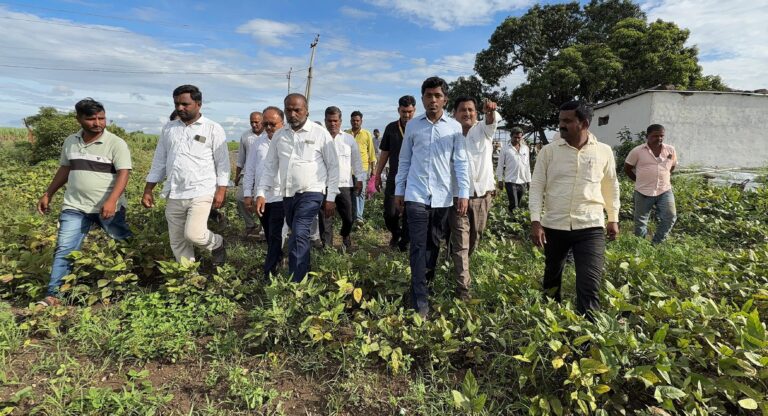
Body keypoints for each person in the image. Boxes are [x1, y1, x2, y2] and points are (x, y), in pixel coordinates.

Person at [37, 98, 132, 306]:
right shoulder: (71, 141)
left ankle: (130, 285)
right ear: (78, 118)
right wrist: (48, 193)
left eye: (101, 118)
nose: (98, 123)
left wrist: (111, 201)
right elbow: (65, 168)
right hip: (75, 206)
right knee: (65, 248)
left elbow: (124, 173)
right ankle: (54, 295)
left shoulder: (116, 143)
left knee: (122, 244)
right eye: (91, 119)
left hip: (107, 207)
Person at [529, 100, 620, 317]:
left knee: (589, 283)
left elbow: (611, 185)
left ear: (584, 123)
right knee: (551, 279)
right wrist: (535, 221)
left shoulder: (604, 152)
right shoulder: (548, 152)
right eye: (560, 120)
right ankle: (550, 323)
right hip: (554, 225)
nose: (561, 125)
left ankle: (588, 336)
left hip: (590, 227)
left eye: (567, 121)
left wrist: (613, 218)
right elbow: (537, 186)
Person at [395, 77, 470, 318]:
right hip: (416, 194)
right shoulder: (413, 127)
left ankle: (423, 284)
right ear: (422, 98)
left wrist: (463, 193)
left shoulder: (454, 128)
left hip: (443, 198)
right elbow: (404, 160)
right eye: (429, 96)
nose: (433, 100)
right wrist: (399, 190)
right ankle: (420, 300)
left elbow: (460, 163)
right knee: (418, 246)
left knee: (433, 245)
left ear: (445, 99)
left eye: (437, 96)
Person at [254, 93, 339, 282]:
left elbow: (333, 166)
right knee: (298, 234)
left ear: (306, 110)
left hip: (312, 192)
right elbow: (270, 166)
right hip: (288, 195)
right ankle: (304, 270)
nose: (293, 114)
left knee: (299, 232)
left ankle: (297, 283)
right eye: (289, 110)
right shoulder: (279, 136)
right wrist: (261, 193)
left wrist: (331, 196)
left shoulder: (319, 134)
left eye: (297, 110)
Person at [143, 85, 230, 265]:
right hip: (174, 191)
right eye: (177, 104)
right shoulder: (169, 128)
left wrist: (221, 190)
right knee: (177, 239)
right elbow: (160, 160)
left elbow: (223, 163)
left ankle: (218, 243)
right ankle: (189, 276)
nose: (180, 108)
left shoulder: (213, 128)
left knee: (194, 234)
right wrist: (148, 189)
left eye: (185, 104)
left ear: (198, 104)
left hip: (201, 189)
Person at [448, 96, 500, 300]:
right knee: (462, 242)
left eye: (471, 110)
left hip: (482, 197)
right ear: (455, 114)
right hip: (458, 197)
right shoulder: (450, 134)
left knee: (475, 238)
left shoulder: (484, 130)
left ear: (476, 113)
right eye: (463, 110)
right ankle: (463, 288)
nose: (467, 113)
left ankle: (458, 262)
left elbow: (491, 121)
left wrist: (490, 111)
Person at [243, 107, 286, 276]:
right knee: (268, 232)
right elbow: (250, 169)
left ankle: (269, 272)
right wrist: (248, 194)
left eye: (272, 124)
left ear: (282, 123)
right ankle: (279, 256)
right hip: (262, 196)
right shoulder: (257, 144)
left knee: (276, 233)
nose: (268, 127)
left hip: (281, 195)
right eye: (265, 124)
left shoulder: (289, 141)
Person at [373, 95, 416, 251]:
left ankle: (404, 244)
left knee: (409, 214)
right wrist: (377, 175)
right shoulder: (391, 128)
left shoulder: (419, 127)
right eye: (403, 112)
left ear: (414, 110)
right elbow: (384, 153)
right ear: (398, 110)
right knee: (390, 214)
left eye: (410, 112)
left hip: (414, 179)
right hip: (395, 177)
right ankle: (396, 233)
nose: (406, 115)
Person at [624, 124, 677, 244]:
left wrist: (664, 177)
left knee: (670, 216)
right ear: (647, 136)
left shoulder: (670, 150)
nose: (659, 138)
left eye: (661, 136)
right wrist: (638, 180)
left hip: (664, 190)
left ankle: (656, 243)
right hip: (643, 191)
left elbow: (672, 166)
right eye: (655, 136)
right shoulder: (637, 151)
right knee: (640, 222)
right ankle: (641, 246)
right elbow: (627, 168)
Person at [319, 106, 364, 250]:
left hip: (344, 184)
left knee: (349, 218)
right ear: (325, 121)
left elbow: (356, 161)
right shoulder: (319, 138)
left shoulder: (348, 139)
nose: (332, 124)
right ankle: (327, 248)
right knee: (325, 219)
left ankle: (345, 235)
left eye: (335, 121)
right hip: (324, 186)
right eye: (329, 121)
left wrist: (360, 179)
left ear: (340, 121)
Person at [234, 112, 263, 237]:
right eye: (252, 122)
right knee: (240, 198)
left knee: (262, 201)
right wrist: (237, 176)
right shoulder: (246, 136)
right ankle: (250, 225)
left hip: (263, 174)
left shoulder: (269, 135)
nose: (254, 124)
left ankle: (264, 228)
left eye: (257, 122)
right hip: (247, 173)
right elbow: (241, 158)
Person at [346, 110, 376, 223]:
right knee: (351, 193)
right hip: (348, 169)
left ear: (361, 121)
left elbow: (372, 153)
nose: (355, 122)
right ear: (350, 121)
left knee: (361, 192)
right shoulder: (346, 134)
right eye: (353, 120)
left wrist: (373, 169)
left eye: (357, 120)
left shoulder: (367, 134)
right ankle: (353, 216)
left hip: (362, 169)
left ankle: (359, 217)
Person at [496, 127, 531, 212]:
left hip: (522, 181)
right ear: (511, 136)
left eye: (519, 137)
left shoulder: (525, 148)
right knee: (514, 204)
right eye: (515, 137)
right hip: (510, 181)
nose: (517, 139)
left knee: (518, 204)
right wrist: (500, 180)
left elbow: (527, 165)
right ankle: (513, 222)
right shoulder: (505, 149)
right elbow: (500, 165)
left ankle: (511, 219)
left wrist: (529, 180)